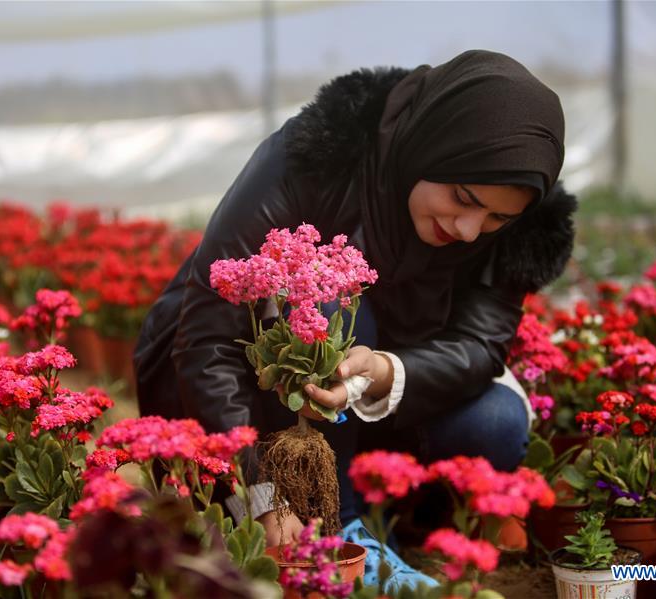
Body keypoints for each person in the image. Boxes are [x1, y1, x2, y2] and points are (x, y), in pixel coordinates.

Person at [134, 49, 576, 591]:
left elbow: (480, 346)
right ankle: (329, 528)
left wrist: (386, 372)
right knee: (319, 303)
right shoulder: (316, 157)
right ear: (432, 144)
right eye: (462, 198)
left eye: (496, 218)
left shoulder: (518, 220)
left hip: (372, 404)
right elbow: (206, 341)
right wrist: (258, 494)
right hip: (244, 396)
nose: (468, 229)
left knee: (498, 422)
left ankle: (378, 518)